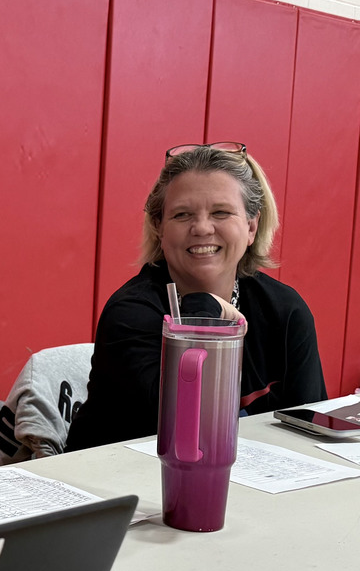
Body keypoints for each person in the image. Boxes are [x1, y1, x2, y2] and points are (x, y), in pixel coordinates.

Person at [65, 142, 325, 451]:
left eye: (221, 212)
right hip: (125, 486)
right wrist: (204, 311)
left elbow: (310, 433)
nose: (201, 228)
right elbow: (184, 432)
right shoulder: (130, 313)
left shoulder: (285, 311)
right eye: (182, 215)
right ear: (159, 228)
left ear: (251, 226)